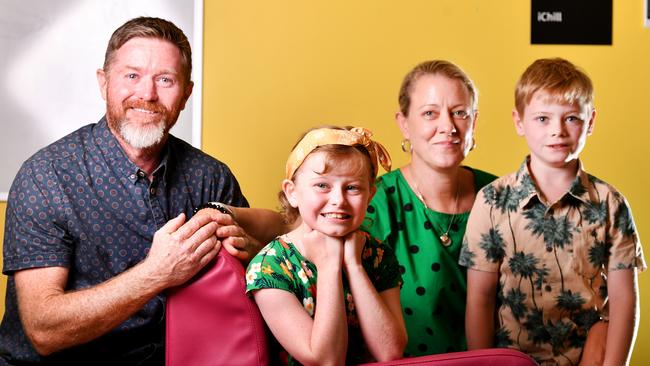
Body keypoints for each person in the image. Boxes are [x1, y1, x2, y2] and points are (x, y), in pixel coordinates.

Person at [0, 17, 280, 365]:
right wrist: (158, 271)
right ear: (103, 83)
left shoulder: (211, 177)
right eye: (131, 76)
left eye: (165, 80)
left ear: (186, 93)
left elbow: (257, 282)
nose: (147, 94)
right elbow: (43, 330)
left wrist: (254, 257)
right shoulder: (46, 177)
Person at [461, 58, 646, 365]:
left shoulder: (611, 203)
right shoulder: (492, 201)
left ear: (591, 122)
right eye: (543, 119)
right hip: (512, 358)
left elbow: (625, 301)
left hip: (588, 356)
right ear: (519, 122)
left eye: (571, 118)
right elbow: (480, 299)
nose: (558, 131)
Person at [361, 60, 496, 356]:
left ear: (473, 121)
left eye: (459, 113)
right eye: (430, 113)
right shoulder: (374, 203)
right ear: (404, 124)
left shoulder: (501, 196)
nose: (447, 126)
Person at [245, 126, 407, 365]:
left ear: (370, 196)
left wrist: (354, 266)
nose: (338, 200)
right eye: (322, 186)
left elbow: (390, 352)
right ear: (293, 193)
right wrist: (329, 264)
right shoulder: (270, 267)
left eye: (352, 188)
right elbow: (326, 361)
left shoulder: (377, 254)